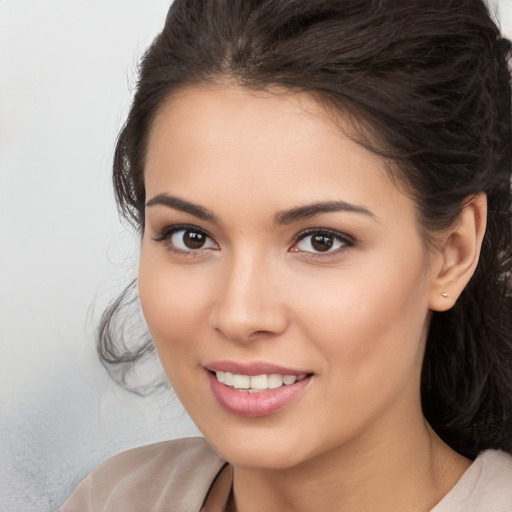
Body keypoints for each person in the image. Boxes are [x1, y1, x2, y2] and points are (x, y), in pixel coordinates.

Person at [61, 0, 512, 510]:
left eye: (321, 241)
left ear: (453, 252)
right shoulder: (116, 499)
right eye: (191, 236)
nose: (240, 315)